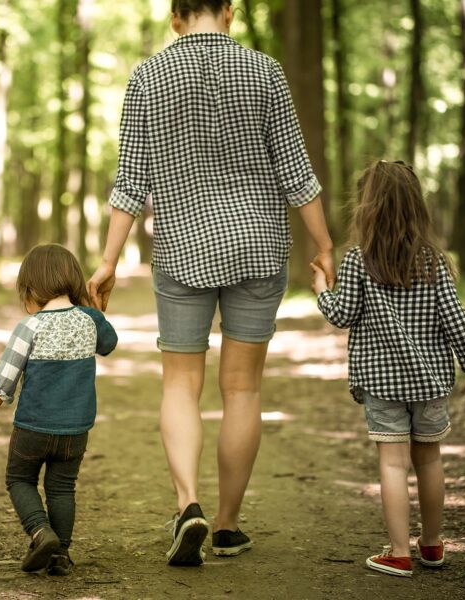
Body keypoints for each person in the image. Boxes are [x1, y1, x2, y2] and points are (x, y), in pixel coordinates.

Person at [86, 0, 334, 566]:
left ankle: (188, 504)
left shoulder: (148, 77)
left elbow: (131, 180)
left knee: (180, 385)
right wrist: (323, 245)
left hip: (182, 248)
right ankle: (225, 526)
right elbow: (296, 173)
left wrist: (108, 260)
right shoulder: (265, 71)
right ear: (230, 11)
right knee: (242, 389)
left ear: (176, 18)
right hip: (259, 245)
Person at [311, 159, 465, 578]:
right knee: (429, 460)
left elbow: (343, 314)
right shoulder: (434, 261)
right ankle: (432, 545)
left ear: (367, 208)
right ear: (416, 207)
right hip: (430, 383)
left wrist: (321, 289)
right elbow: (455, 317)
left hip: (382, 383)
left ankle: (398, 551)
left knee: (392, 464)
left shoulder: (358, 261)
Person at [0, 244, 117, 576]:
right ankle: (61, 554)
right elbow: (108, 344)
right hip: (75, 431)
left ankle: (41, 532)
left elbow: (5, 377)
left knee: (19, 478)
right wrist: (94, 309)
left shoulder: (30, 326)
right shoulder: (90, 320)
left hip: (33, 428)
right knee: (62, 487)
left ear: (30, 290)